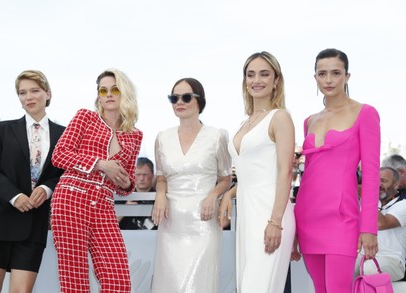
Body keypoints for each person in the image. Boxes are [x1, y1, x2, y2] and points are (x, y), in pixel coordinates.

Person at [0, 70, 65, 292]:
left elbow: (66, 174)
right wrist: (15, 196)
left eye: (34, 91)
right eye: (22, 92)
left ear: (47, 94)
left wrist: (47, 188)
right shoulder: (1, 130)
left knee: (22, 291)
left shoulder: (65, 135)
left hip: (33, 223)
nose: (28, 97)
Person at [293, 48, 380, 292]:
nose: (329, 80)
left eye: (335, 73)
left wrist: (368, 228)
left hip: (343, 217)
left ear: (347, 76)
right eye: (322, 74)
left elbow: (372, 175)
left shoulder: (365, 113)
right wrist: (295, 228)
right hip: (308, 215)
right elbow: (309, 173)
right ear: (315, 78)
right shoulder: (309, 120)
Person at [51, 68, 142, 293]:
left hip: (103, 205)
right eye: (103, 90)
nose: (108, 94)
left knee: (118, 281)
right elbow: (59, 154)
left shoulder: (134, 134)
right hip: (71, 198)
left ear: (125, 93)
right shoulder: (85, 117)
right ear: (98, 96)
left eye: (115, 89)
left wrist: (124, 183)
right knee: (75, 279)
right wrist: (100, 164)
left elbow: (128, 182)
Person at [218, 51, 296, 292]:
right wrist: (228, 196)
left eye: (264, 74)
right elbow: (251, 173)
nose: (257, 80)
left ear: (276, 81)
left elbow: (284, 172)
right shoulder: (245, 123)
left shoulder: (279, 117)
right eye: (250, 75)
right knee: (247, 286)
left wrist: (275, 222)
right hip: (247, 214)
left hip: (271, 212)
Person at [151, 77, 232, 293]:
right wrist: (160, 194)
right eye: (174, 97)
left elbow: (226, 179)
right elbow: (161, 177)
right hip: (171, 223)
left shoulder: (218, 136)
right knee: (169, 284)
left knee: (199, 285)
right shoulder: (162, 137)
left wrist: (213, 194)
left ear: (199, 101)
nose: (179, 102)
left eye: (186, 97)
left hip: (204, 223)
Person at [355, 167, 406, 281]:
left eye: (384, 181)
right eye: (376, 180)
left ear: (396, 185)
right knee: (344, 266)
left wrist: (367, 196)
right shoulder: (369, 200)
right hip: (362, 255)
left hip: (392, 259)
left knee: (370, 268)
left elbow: (380, 223)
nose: (378, 185)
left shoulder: (403, 205)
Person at [118, 157, 157, 230]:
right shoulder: (123, 196)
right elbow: (107, 223)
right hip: (126, 239)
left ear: (152, 175)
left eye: (145, 174)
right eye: (138, 174)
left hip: (152, 239)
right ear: (133, 175)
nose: (141, 178)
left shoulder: (159, 199)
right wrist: (124, 210)